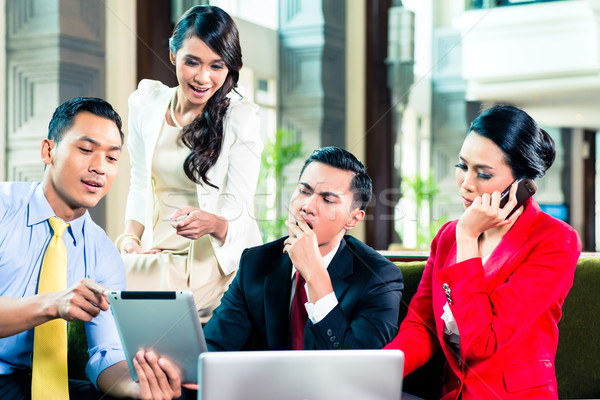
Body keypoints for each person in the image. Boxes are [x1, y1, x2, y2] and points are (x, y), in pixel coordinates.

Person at [385, 105, 582, 399]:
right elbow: (422, 324)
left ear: (523, 184)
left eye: (484, 174)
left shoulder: (555, 241)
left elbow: (481, 342)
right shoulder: (447, 236)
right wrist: (378, 369)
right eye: (462, 166)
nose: (466, 183)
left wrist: (468, 238)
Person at [0, 97, 181, 400]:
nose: (99, 168)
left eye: (112, 158)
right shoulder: (4, 208)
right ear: (49, 151)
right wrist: (52, 305)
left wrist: (137, 386)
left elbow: (106, 354)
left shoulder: (103, 254)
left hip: (24, 382)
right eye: (86, 150)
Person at [117, 5, 263, 322]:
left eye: (216, 66)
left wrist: (210, 222)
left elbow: (240, 210)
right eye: (192, 62)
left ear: (229, 69)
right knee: (111, 273)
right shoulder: (145, 102)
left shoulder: (241, 120)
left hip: (212, 260)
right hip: (157, 252)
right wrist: (130, 238)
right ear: (173, 54)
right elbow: (140, 184)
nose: (202, 77)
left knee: (116, 286)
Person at [203, 146, 404, 351]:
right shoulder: (256, 262)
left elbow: (359, 368)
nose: (307, 206)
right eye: (304, 191)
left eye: (327, 199)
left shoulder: (380, 277)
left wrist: (316, 277)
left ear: (353, 218)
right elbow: (214, 345)